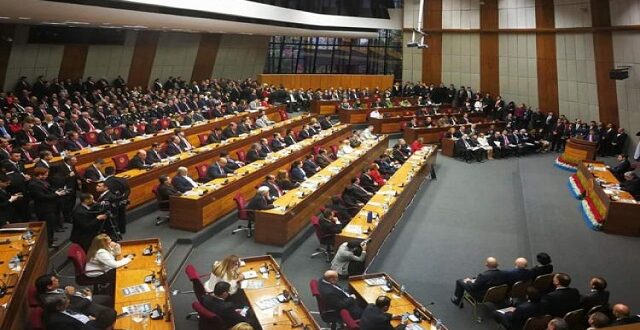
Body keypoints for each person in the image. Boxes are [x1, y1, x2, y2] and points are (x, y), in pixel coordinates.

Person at [36, 273, 116, 329]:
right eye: (54, 280)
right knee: (110, 313)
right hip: (84, 308)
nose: (57, 279)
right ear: (49, 286)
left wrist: (79, 293)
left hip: (83, 305)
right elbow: (74, 309)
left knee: (108, 299)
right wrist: (87, 298)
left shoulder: (57, 294)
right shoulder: (51, 303)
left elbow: (71, 309)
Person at [28, 167, 66, 247]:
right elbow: (42, 197)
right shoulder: (33, 184)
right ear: (40, 175)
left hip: (50, 207)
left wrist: (56, 191)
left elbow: (49, 189)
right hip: (43, 209)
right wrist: (56, 195)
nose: (47, 176)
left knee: (51, 225)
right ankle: (49, 243)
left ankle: (50, 239)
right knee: (48, 227)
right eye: (45, 175)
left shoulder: (42, 181)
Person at [42, 294, 109, 330]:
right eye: (66, 303)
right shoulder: (57, 323)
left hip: (89, 319)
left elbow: (74, 309)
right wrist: (91, 322)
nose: (69, 302)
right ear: (58, 307)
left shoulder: (57, 308)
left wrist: (89, 317)